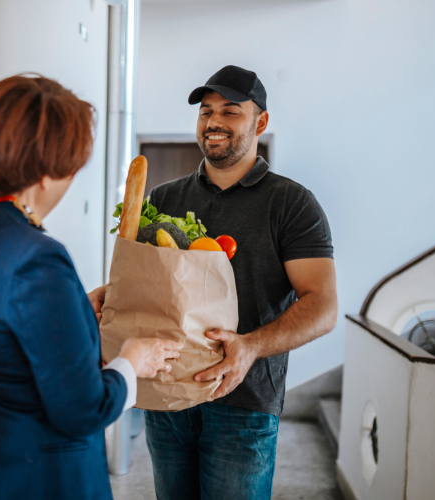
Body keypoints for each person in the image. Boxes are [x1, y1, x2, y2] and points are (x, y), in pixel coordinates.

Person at [0, 75, 183, 500]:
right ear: (46, 174)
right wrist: (131, 361)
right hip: (33, 476)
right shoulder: (38, 257)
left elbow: (2, 332)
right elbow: (85, 409)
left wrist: (76, 310)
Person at [142, 66, 338, 499]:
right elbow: (149, 287)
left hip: (244, 404)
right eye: (206, 112)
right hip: (168, 397)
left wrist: (251, 346)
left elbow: (322, 305)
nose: (213, 122)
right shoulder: (164, 198)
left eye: (230, 112)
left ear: (260, 122)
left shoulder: (291, 203)